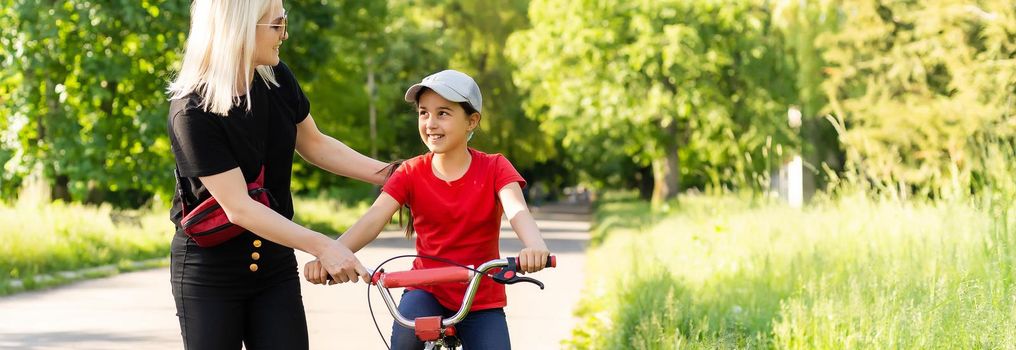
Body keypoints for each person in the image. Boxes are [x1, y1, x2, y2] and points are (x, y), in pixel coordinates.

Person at [166, 1, 381, 348]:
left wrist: (393, 176)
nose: (284, 35)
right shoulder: (191, 111)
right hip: (210, 276)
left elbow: (316, 145)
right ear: (240, 29)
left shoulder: (278, 79)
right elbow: (240, 208)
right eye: (276, 25)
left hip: (274, 266)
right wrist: (324, 246)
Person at [303, 69, 552, 349]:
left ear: (472, 121)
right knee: (406, 339)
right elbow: (373, 219)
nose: (430, 123)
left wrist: (535, 246)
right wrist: (331, 254)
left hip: (479, 296)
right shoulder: (410, 172)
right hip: (426, 289)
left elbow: (517, 211)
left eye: (443, 113)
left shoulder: (495, 167)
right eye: (423, 113)